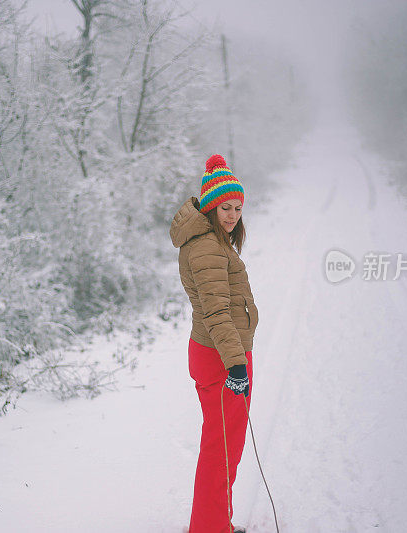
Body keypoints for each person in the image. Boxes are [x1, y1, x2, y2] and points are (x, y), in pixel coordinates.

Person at [169, 154, 260, 533]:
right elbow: (216, 311)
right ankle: (209, 528)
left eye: (238, 207)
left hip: (223, 353)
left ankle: (216, 523)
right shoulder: (207, 247)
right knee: (220, 452)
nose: (233, 215)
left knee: (224, 448)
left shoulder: (213, 241)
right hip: (223, 358)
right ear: (210, 205)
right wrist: (237, 365)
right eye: (226, 207)